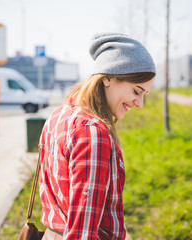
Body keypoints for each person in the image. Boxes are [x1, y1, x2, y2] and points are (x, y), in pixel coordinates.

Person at [39, 33, 156, 240]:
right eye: (136, 91)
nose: (139, 104)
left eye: (144, 94)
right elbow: (83, 233)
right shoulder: (93, 133)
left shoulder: (58, 115)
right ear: (108, 78)